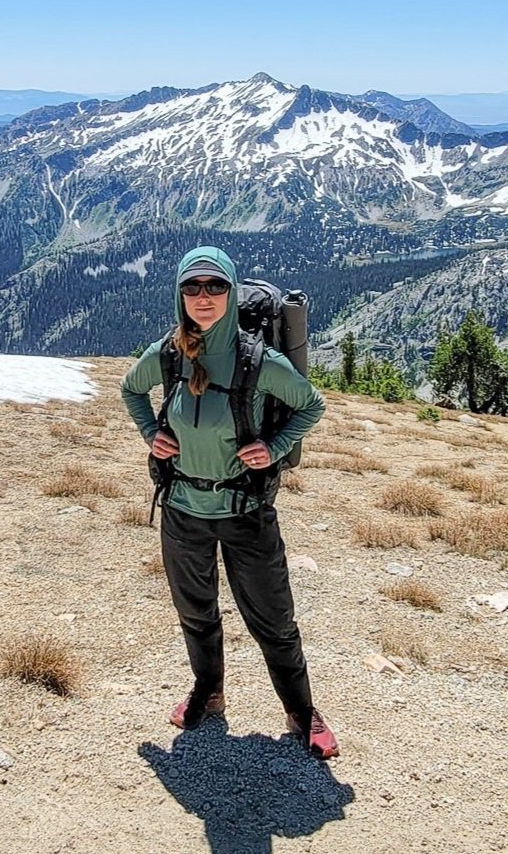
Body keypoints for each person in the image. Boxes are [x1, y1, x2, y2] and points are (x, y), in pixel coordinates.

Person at [121, 245, 338, 759]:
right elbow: (131, 391)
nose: (203, 296)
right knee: (195, 612)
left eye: (215, 286)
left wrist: (277, 447)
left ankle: (302, 712)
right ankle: (208, 692)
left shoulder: (258, 361)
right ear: (178, 293)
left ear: (232, 292)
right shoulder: (169, 355)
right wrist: (151, 432)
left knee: (273, 619)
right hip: (182, 510)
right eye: (191, 287)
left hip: (245, 512)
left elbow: (312, 404)